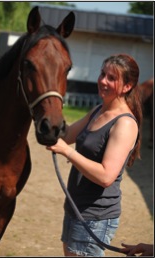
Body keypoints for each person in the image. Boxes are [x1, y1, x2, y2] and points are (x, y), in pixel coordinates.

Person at [46, 54, 142, 256]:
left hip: (95, 217)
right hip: (76, 207)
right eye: (102, 74)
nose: (103, 81)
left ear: (127, 86)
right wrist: (49, 111)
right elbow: (68, 135)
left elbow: (106, 176)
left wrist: (67, 152)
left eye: (111, 78)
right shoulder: (98, 110)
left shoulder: (125, 123)